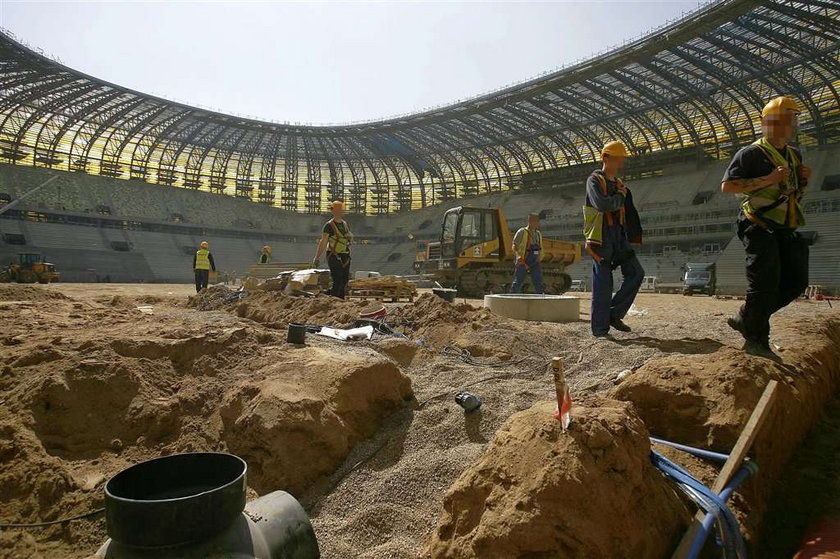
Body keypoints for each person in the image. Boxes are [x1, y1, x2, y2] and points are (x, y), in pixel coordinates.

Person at [721, 96, 811, 359]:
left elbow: (791, 189)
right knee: (764, 282)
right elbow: (728, 186)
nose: (786, 126)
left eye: (789, 121)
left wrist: (803, 179)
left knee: (796, 281)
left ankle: (747, 316)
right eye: (780, 121)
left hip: (785, 224)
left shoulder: (794, 154)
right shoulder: (750, 154)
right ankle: (757, 341)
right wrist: (768, 179)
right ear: (767, 124)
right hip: (757, 224)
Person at [583, 141, 645, 338]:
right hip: (601, 238)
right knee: (603, 283)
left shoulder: (620, 185)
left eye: (622, 159)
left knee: (636, 273)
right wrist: (619, 197)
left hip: (618, 237)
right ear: (605, 158)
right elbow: (602, 204)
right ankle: (600, 330)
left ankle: (613, 314)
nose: (620, 163)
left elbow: (628, 213)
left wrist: (632, 236)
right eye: (617, 159)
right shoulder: (594, 181)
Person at [313, 201, 353, 298]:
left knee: (344, 280)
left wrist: (350, 236)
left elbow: (349, 237)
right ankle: (334, 299)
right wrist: (317, 257)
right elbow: (323, 242)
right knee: (337, 279)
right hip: (334, 255)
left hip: (345, 255)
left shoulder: (344, 224)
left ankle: (339, 299)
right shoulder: (329, 226)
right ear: (333, 211)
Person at [510, 213, 545, 294]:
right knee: (518, 281)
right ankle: (512, 297)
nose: (534, 223)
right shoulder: (522, 232)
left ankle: (540, 298)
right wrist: (518, 256)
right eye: (532, 221)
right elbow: (514, 245)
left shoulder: (538, 234)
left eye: (536, 221)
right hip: (523, 260)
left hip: (535, 261)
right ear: (529, 221)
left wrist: (539, 257)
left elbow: (539, 247)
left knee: (538, 281)